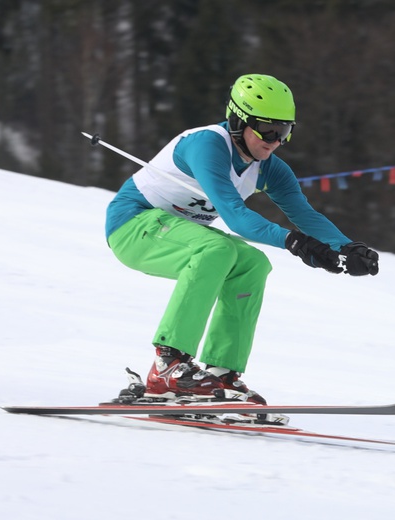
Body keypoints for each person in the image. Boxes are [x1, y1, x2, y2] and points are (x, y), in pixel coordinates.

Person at [105, 74, 379, 405]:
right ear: (239, 120)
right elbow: (236, 217)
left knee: (252, 264)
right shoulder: (207, 146)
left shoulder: (269, 168)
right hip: (133, 227)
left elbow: (304, 215)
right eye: (267, 129)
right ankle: (168, 365)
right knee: (217, 248)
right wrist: (296, 244)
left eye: (284, 132)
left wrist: (347, 247)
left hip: (179, 233)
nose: (274, 141)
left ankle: (222, 374)